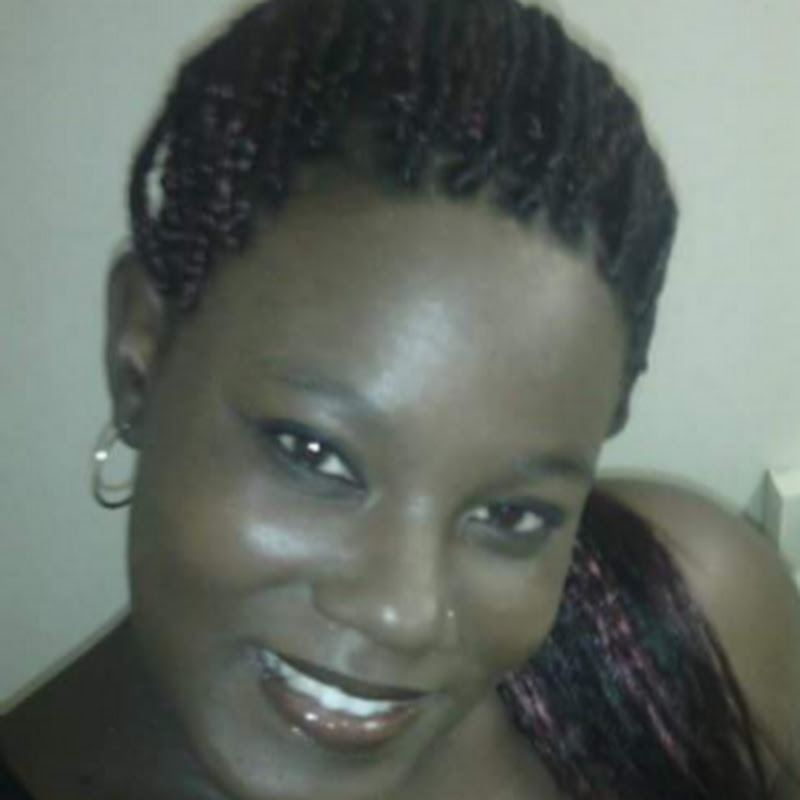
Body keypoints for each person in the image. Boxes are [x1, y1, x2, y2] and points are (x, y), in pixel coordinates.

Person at [1, 0, 798, 797]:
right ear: (140, 354)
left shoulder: (693, 629)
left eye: (513, 515)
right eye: (314, 454)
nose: (402, 613)